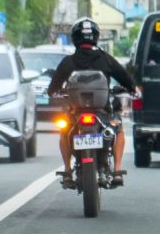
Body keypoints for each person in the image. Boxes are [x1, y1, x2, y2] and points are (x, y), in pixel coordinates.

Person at [47, 18, 140, 188]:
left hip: (75, 112)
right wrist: (133, 89)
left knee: (64, 132)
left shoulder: (68, 62)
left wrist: (54, 92)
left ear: (75, 38)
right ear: (95, 37)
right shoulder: (105, 59)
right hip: (102, 112)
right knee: (118, 129)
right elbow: (125, 77)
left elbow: (52, 87)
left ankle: (67, 170)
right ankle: (117, 171)